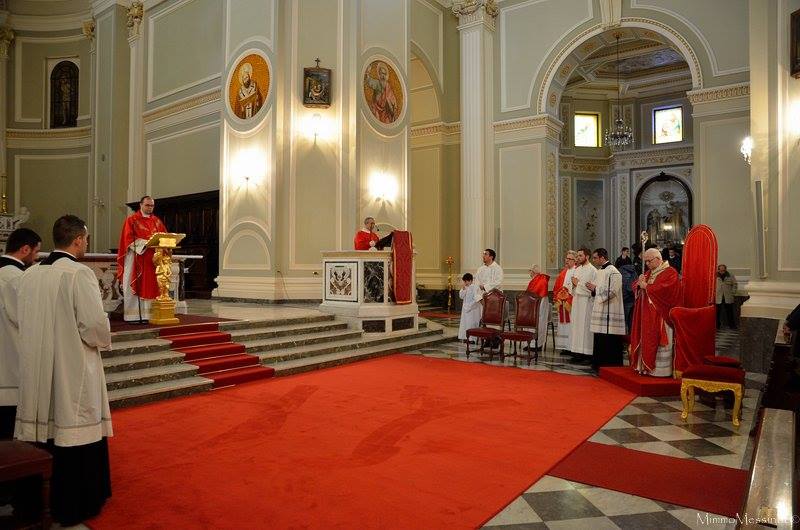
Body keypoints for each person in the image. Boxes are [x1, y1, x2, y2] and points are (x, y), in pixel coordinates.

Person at [14, 215, 113, 526]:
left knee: (47, 433)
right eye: (86, 239)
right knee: (73, 429)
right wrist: (102, 339)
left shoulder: (29, 275)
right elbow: (94, 325)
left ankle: (34, 502)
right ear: (78, 240)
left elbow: (20, 319)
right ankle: (75, 504)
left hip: (37, 366)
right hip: (72, 366)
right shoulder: (78, 274)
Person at [0, 228, 41, 439]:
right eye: (35, 253)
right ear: (25, 249)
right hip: (11, 366)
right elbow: (27, 322)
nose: (35, 259)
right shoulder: (18, 279)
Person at [629, 248, 683, 377]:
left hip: (661, 314)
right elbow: (636, 286)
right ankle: (645, 367)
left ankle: (660, 371)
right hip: (647, 314)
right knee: (647, 340)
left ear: (658, 259)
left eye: (649, 261)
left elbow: (666, 290)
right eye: (645, 261)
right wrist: (638, 283)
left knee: (658, 342)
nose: (647, 264)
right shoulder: (649, 272)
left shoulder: (670, 272)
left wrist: (646, 286)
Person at [116, 195, 167, 322]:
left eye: (152, 206)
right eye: (147, 205)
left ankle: (149, 315)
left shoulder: (157, 221)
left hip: (153, 260)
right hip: (137, 258)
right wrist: (146, 243)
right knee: (136, 284)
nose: (150, 208)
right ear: (140, 205)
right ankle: (134, 316)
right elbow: (127, 239)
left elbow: (164, 236)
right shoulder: (132, 220)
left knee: (152, 286)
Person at [586, 248, 625, 371]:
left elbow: (613, 291)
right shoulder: (600, 271)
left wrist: (595, 289)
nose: (593, 260)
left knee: (608, 339)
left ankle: (609, 365)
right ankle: (598, 363)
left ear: (602, 257)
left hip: (610, 311)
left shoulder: (614, 272)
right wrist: (593, 289)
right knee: (599, 338)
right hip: (601, 310)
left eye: (595, 258)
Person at [566, 248, 596, 360]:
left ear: (587, 256)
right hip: (577, 301)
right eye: (577, 256)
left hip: (586, 303)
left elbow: (592, 289)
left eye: (580, 256)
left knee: (584, 327)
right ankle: (576, 351)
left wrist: (577, 284)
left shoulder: (593, 271)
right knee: (576, 326)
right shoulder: (577, 269)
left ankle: (586, 353)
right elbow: (571, 286)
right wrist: (573, 285)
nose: (578, 258)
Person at [553, 251, 576, 353]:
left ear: (575, 261)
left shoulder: (576, 271)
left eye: (569, 259)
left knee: (571, 325)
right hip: (562, 304)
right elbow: (556, 288)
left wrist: (568, 300)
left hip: (570, 304)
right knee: (563, 325)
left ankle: (570, 347)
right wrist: (558, 298)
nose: (567, 260)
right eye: (566, 258)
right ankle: (564, 346)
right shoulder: (563, 272)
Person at [525, 265, 550, 351]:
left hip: (540, 304)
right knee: (529, 322)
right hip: (532, 304)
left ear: (533, 272)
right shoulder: (534, 280)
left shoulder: (541, 280)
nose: (530, 273)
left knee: (539, 322)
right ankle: (530, 343)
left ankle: (537, 344)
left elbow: (539, 293)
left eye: (530, 271)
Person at [457, 273, 482, 342]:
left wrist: (469, 306)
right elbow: (461, 296)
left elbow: (477, 299)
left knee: (472, 323)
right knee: (465, 323)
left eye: (466, 281)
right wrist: (463, 289)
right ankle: (465, 337)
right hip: (465, 309)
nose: (465, 283)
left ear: (470, 280)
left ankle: (472, 339)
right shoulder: (465, 287)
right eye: (464, 281)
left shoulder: (475, 287)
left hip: (473, 309)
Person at [716, 264, 737, 329]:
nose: (722, 272)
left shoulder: (730, 275)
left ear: (725, 270)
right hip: (718, 297)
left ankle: (732, 325)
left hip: (728, 297)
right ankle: (717, 325)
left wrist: (733, 292)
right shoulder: (715, 276)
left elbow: (735, 284)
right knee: (717, 313)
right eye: (721, 270)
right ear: (718, 270)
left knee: (730, 312)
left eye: (724, 270)